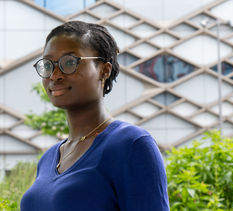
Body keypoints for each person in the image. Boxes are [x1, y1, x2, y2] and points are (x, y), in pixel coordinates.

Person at [21, 21, 169, 211]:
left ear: (104, 70)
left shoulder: (131, 145)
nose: (55, 75)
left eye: (69, 62)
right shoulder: (49, 158)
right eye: (48, 65)